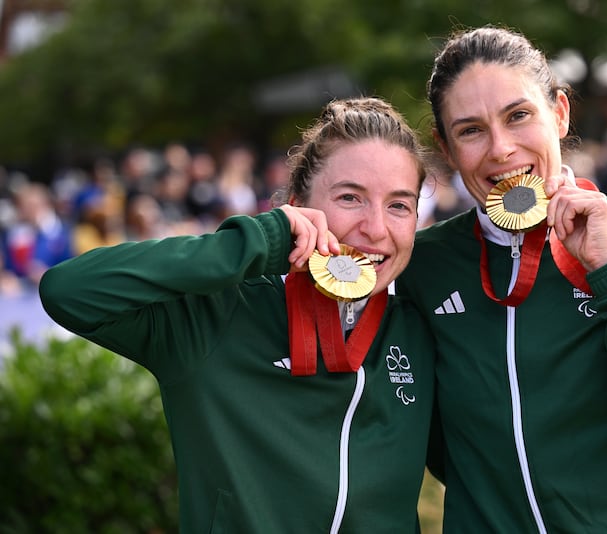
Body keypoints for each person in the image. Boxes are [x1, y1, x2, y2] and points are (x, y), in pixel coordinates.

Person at [39, 97, 436, 533]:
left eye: (399, 205)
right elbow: (68, 291)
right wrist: (260, 240)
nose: (376, 228)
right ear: (300, 204)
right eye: (350, 197)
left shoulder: (418, 330)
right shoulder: (218, 315)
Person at [396, 25, 607, 532]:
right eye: (470, 130)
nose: (501, 149)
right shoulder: (427, 265)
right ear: (446, 145)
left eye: (519, 115)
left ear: (560, 112)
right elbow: (441, 443)